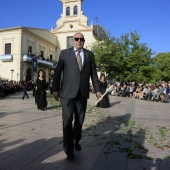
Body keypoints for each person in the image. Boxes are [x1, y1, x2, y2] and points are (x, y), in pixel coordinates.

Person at [52, 32, 102, 160]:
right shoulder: (64, 53)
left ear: (83, 41)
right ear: (72, 41)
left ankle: (76, 140)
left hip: (82, 93)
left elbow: (94, 75)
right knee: (67, 120)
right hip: (66, 94)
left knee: (79, 120)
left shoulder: (89, 55)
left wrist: (97, 90)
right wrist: (55, 89)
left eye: (81, 39)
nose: (79, 41)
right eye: (76, 39)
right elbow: (57, 73)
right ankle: (68, 149)